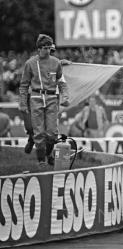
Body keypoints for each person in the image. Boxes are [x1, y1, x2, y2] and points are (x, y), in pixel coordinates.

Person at [18, 34, 70, 167]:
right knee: (38, 133)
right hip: (36, 99)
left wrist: (65, 97)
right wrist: (23, 103)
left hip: (52, 99)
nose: (48, 51)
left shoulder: (56, 62)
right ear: (39, 48)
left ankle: (49, 154)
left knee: (52, 133)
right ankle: (41, 161)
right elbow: (24, 85)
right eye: (46, 48)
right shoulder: (30, 63)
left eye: (50, 48)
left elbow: (62, 82)